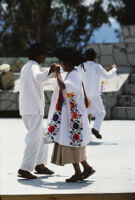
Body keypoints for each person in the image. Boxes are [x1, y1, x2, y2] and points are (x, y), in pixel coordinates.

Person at [46, 47, 95, 182]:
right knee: (72, 143)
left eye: (63, 63)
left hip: (74, 118)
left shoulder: (73, 75)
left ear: (68, 64)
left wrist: (57, 73)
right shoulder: (72, 73)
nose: (61, 66)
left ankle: (81, 171)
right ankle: (84, 169)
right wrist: (57, 71)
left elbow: (63, 86)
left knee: (72, 143)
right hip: (71, 116)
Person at [18, 43, 55, 179]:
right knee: (34, 138)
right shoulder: (33, 66)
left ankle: (39, 165)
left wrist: (51, 73)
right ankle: (24, 168)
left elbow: (39, 78)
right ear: (40, 55)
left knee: (42, 135)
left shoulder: (28, 67)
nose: (44, 57)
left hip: (29, 108)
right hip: (33, 109)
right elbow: (39, 77)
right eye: (43, 54)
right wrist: (51, 70)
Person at [78, 48, 117, 139]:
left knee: (86, 113)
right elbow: (107, 76)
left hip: (84, 94)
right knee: (101, 112)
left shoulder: (81, 66)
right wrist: (114, 69)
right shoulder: (97, 66)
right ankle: (95, 129)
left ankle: (83, 134)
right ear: (95, 57)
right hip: (94, 94)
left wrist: (109, 69)